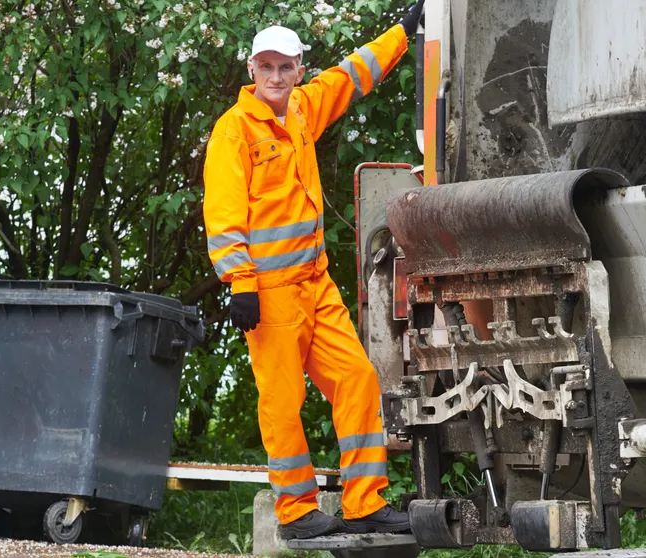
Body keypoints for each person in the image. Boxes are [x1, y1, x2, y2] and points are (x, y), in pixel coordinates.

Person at [202, 0, 426, 541]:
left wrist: (402, 33)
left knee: (357, 378)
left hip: (315, 286)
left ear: (299, 70)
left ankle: (364, 502)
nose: (276, 77)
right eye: (266, 67)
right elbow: (224, 217)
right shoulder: (234, 132)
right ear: (251, 71)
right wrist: (240, 283)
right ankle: (297, 512)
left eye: (286, 67)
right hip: (268, 293)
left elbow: (352, 76)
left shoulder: (302, 108)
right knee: (283, 403)